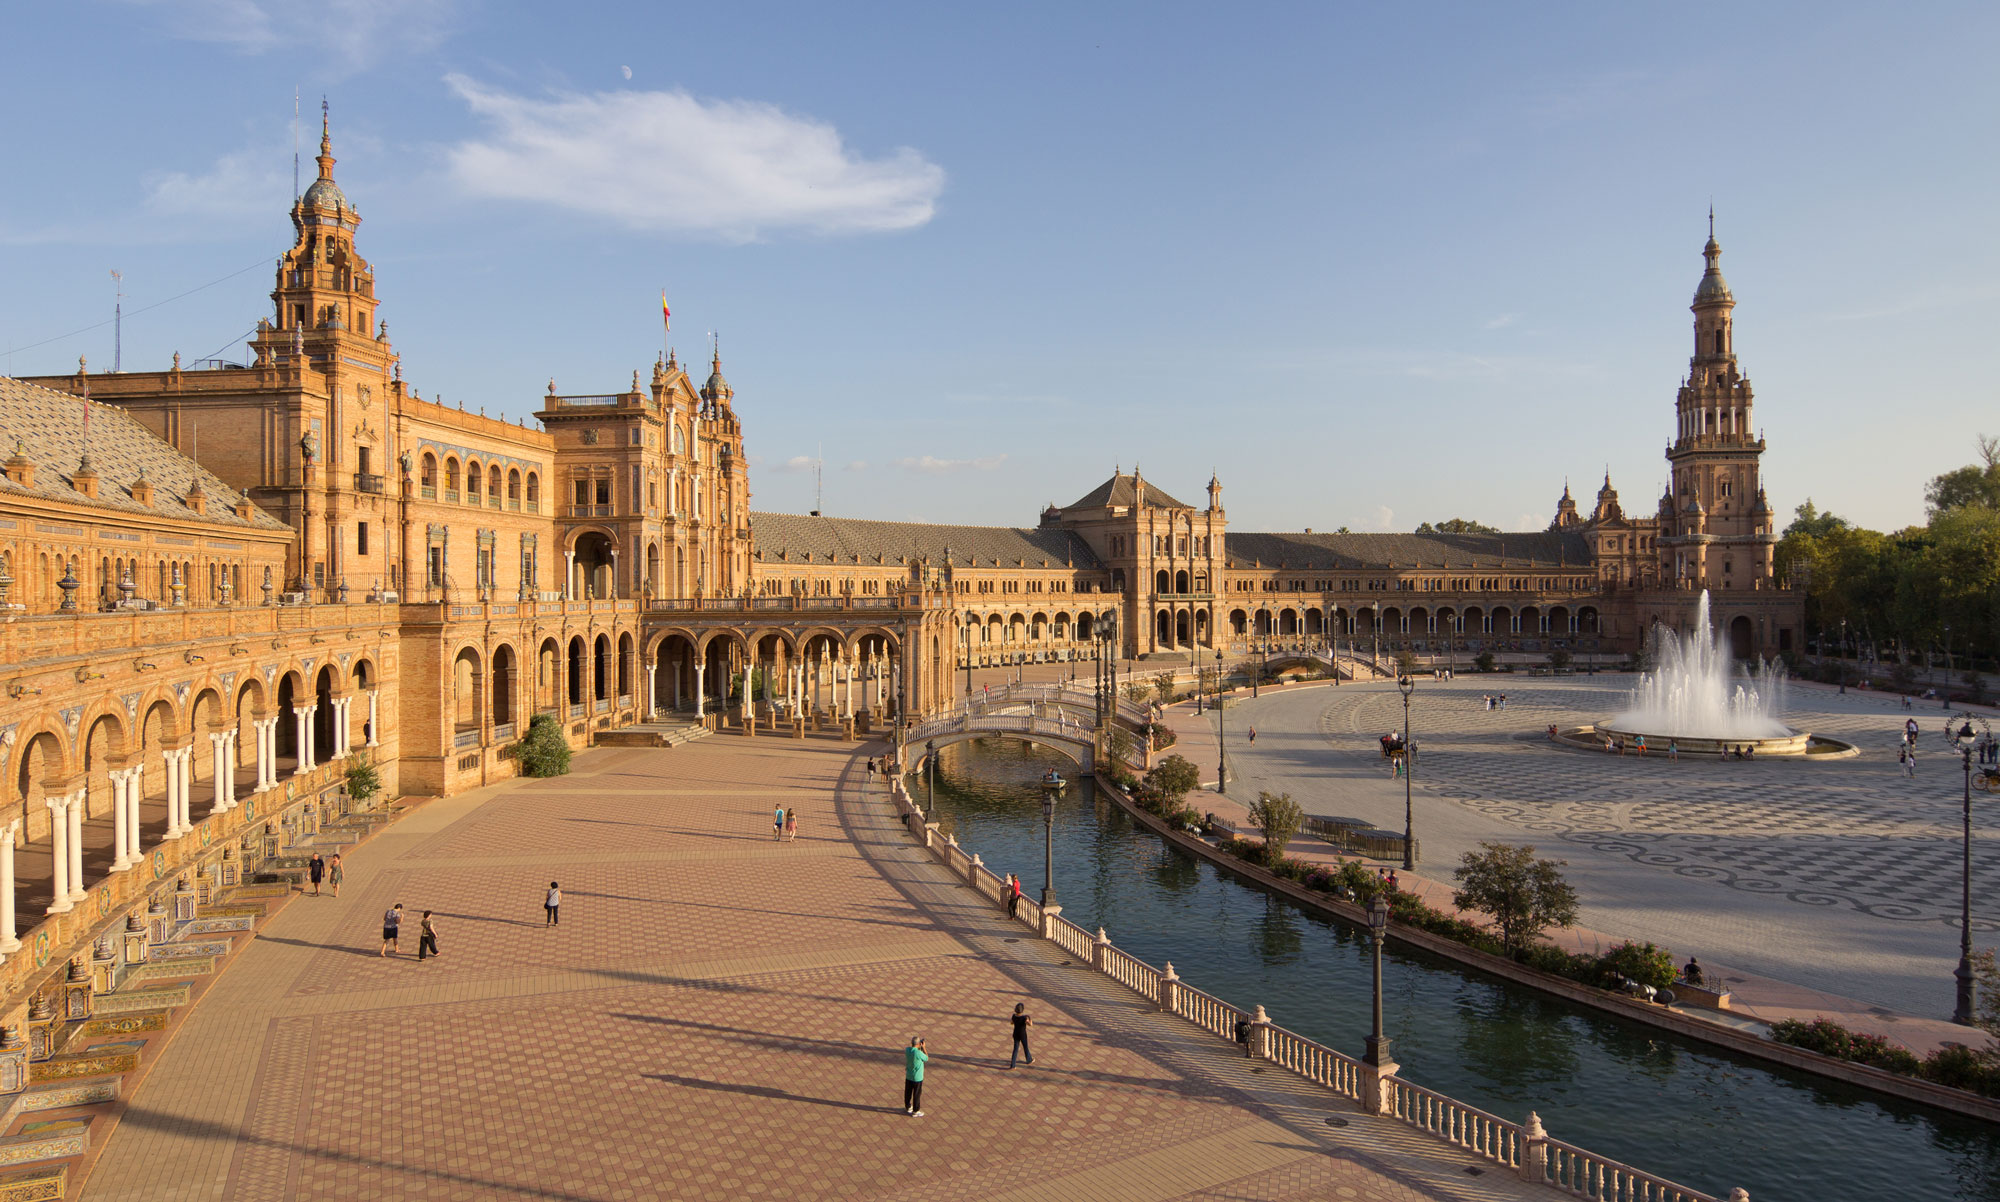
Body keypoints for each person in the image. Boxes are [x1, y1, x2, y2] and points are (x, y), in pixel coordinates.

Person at [903, 1037, 928, 1116]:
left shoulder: (907, 1050)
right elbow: (926, 1058)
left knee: (908, 1092)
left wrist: (919, 1048)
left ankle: (908, 1106)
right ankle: (916, 1110)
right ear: (919, 1044)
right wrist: (924, 1047)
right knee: (916, 1094)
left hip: (909, 1075)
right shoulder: (918, 1053)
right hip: (917, 1077)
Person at [1008, 1003, 1035, 1068]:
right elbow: (1030, 1024)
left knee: (1015, 1049)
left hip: (1015, 1034)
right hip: (1023, 1035)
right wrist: (1030, 1020)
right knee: (1025, 1047)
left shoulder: (1014, 1016)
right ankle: (1029, 1060)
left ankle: (1013, 1065)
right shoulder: (1024, 1018)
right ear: (1022, 1010)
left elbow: (1011, 1022)